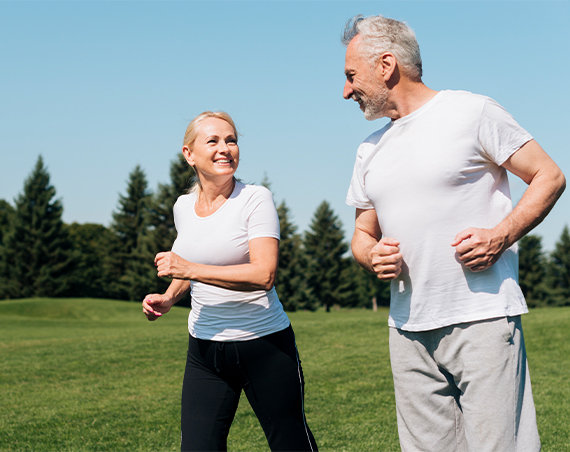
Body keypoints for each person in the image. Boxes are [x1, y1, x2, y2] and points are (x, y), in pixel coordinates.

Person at [342, 14, 565, 452]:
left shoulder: (472, 111)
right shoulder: (369, 148)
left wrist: (500, 236)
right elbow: (361, 234)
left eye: (351, 76)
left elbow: (548, 175)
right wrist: (370, 255)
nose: (346, 90)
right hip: (407, 329)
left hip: (480, 319)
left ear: (386, 65)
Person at [142, 111, 318, 452]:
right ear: (189, 154)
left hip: (264, 345)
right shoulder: (183, 207)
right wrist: (169, 296)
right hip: (205, 349)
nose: (225, 148)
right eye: (213, 141)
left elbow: (263, 275)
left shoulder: (255, 199)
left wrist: (189, 270)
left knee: (290, 443)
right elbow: (190, 260)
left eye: (231, 140)